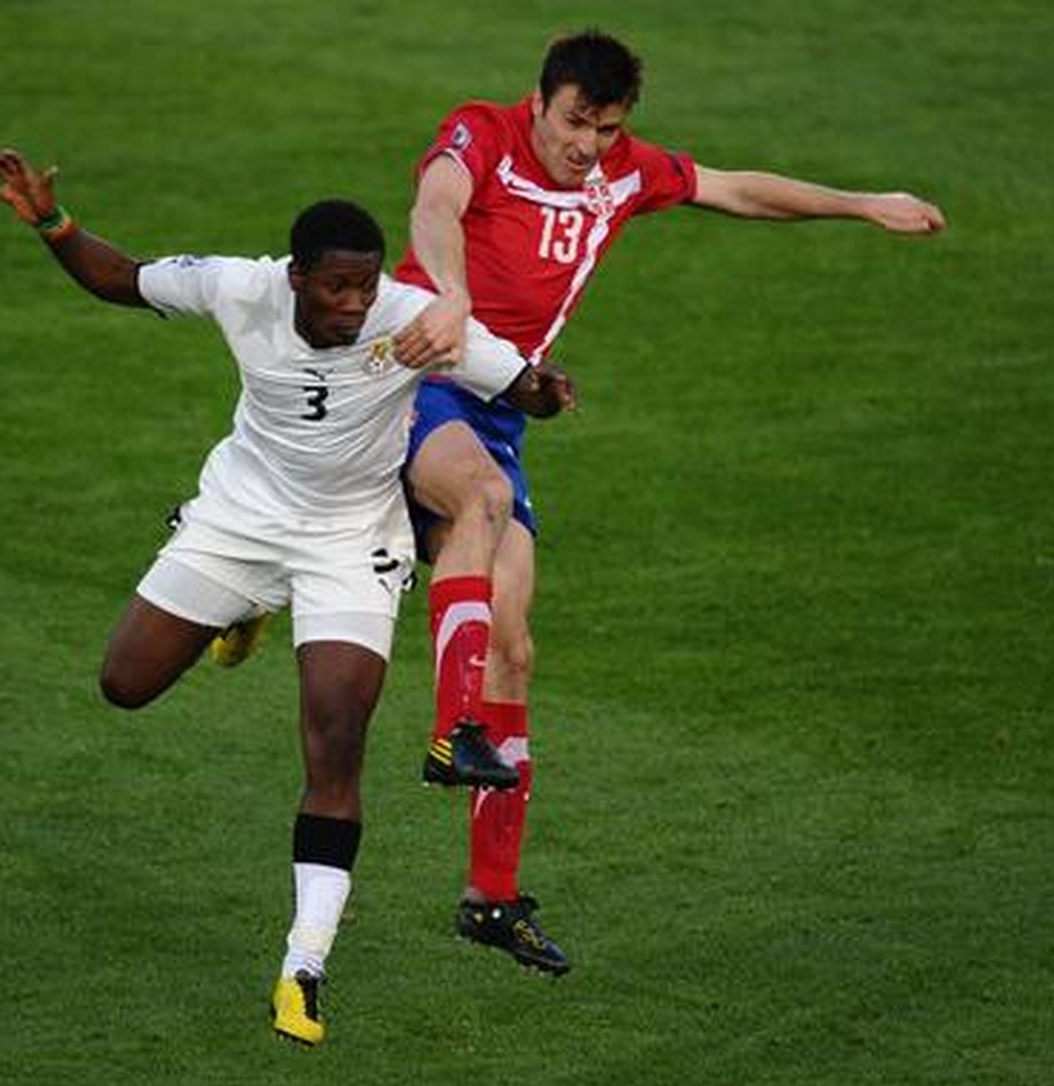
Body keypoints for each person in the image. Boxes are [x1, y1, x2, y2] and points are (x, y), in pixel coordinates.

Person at [0, 148, 574, 1046]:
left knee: (336, 740)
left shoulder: (411, 319)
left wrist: (548, 393)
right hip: (241, 517)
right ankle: (247, 605)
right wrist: (54, 225)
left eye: (365, 287)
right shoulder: (239, 288)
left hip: (352, 544)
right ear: (295, 278)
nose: (353, 305)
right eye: (335, 287)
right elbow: (124, 281)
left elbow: (517, 380)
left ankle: (304, 967)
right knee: (124, 684)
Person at [387, 30, 946, 976]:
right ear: (540, 100)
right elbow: (435, 202)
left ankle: (489, 898)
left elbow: (736, 188)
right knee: (475, 502)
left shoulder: (622, 174)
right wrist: (450, 296)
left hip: (500, 409)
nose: (588, 146)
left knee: (515, 646)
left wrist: (861, 205)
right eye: (574, 123)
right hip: (420, 373)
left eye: (606, 129)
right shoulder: (482, 135)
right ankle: (450, 729)